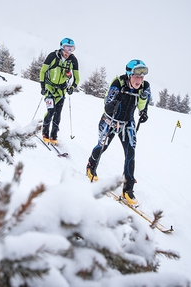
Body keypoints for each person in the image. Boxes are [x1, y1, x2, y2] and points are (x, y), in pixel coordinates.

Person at [86, 59, 151, 205]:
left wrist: (144, 112)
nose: (139, 80)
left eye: (142, 77)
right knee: (102, 146)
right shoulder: (118, 83)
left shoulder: (145, 87)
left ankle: (128, 189)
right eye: (136, 76)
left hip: (128, 122)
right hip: (110, 120)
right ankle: (91, 166)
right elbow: (107, 106)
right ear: (129, 74)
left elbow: (143, 104)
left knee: (130, 152)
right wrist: (116, 100)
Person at [39, 38, 80, 145]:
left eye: (71, 49)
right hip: (49, 88)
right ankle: (45, 132)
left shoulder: (73, 60)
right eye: (66, 48)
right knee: (51, 111)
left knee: (58, 114)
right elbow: (43, 71)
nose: (68, 52)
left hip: (61, 90)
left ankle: (54, 135)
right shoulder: (52, 56)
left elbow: (77, 77)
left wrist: (72, 87)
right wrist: (43, 87)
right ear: (62, 47)